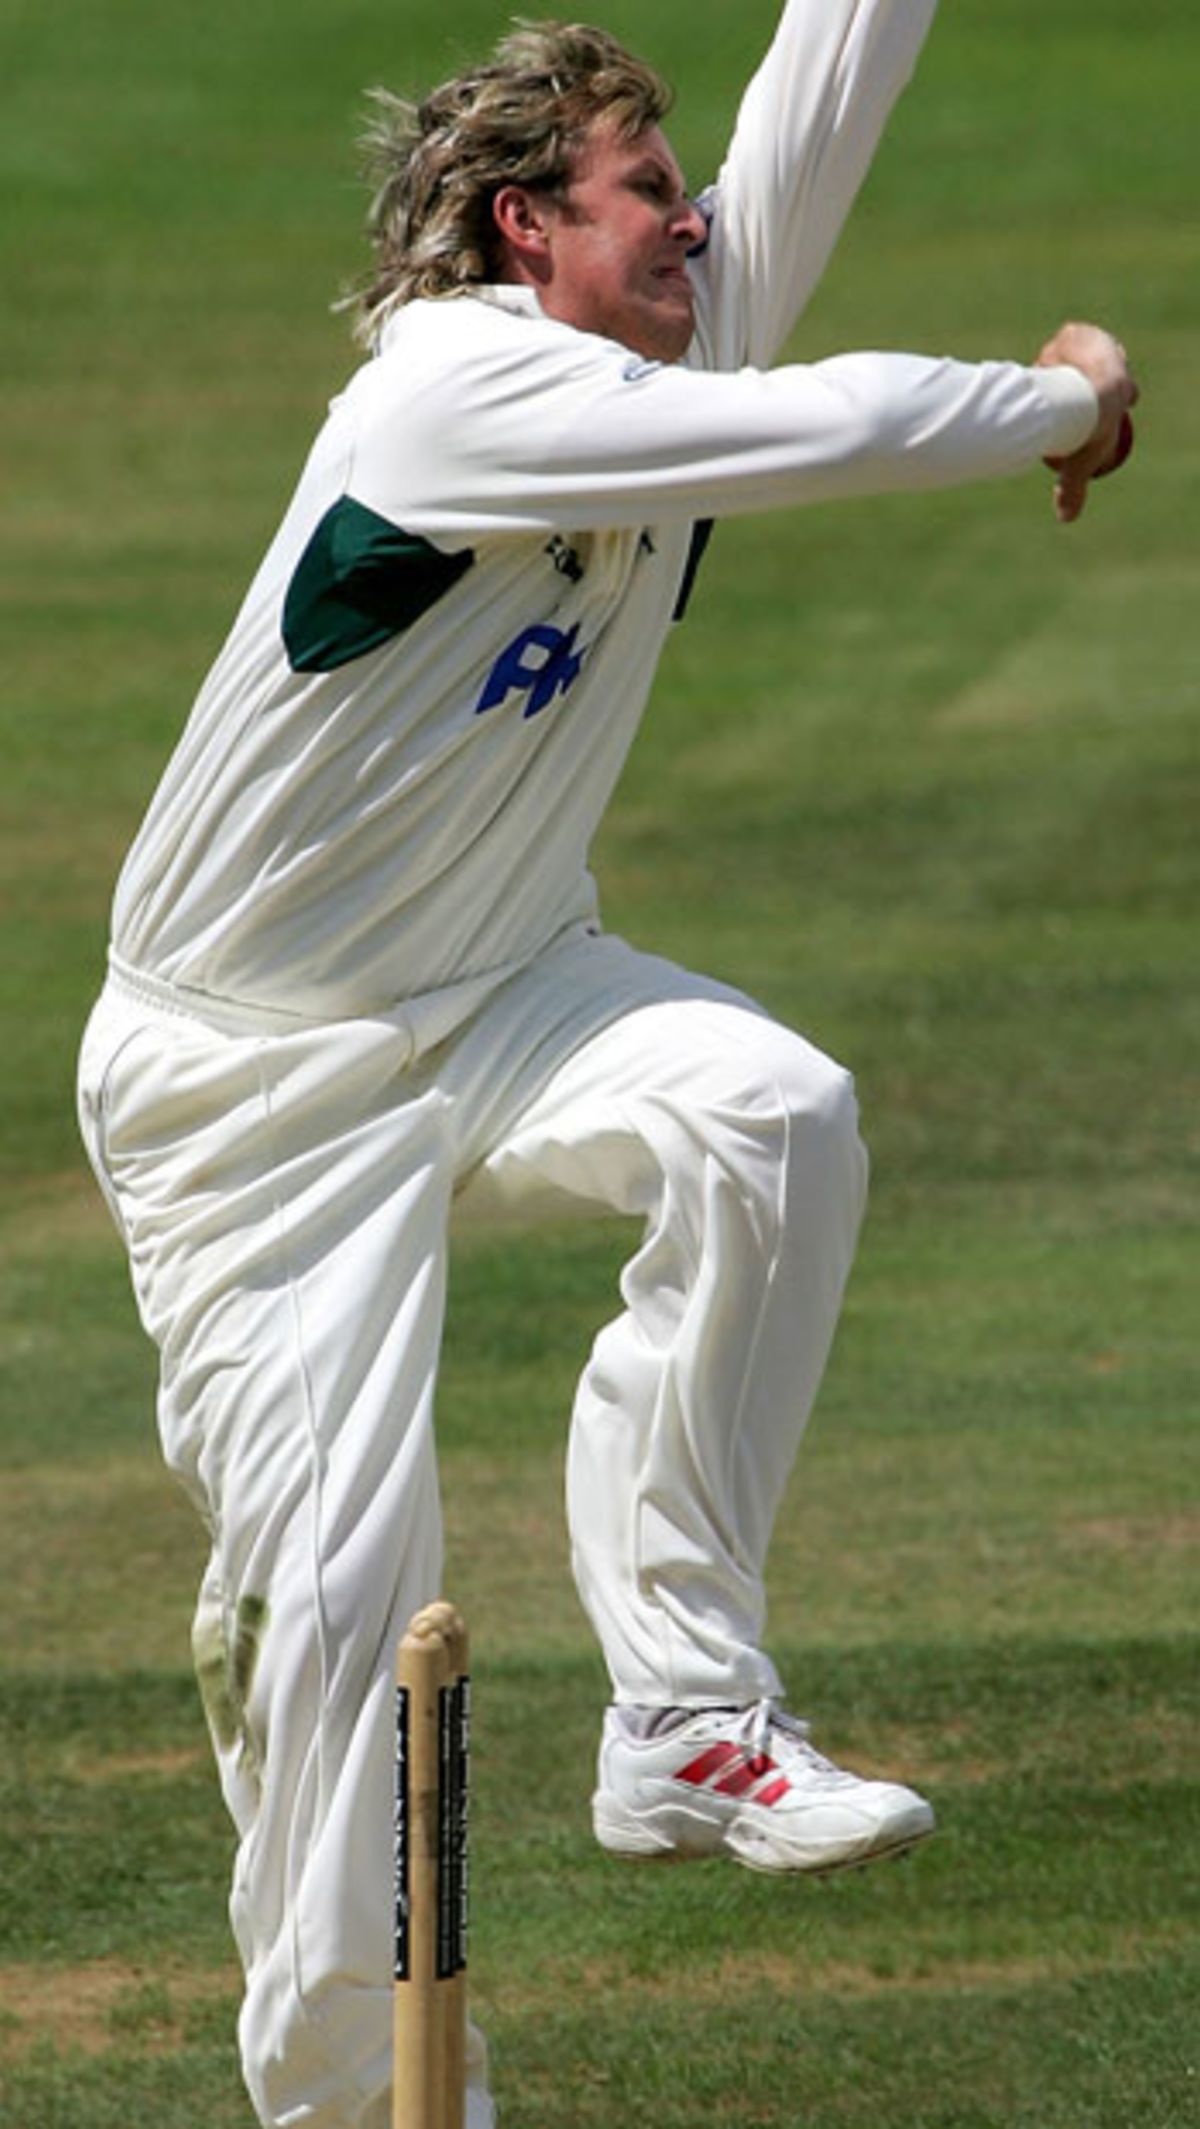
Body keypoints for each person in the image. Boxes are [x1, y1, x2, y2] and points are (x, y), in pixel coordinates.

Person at [76, 5, 1137, 2126]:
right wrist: (1059, 402)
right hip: (252, 1087)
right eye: (649, 193)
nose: (700, 223)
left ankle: (685, 1716)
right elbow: (820, 431)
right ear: (519, 227)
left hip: (506, 988)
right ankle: (354, 2106)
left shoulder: (659, 320)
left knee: (772, 1115)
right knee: (347, 1616)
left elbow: (828, 84)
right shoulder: (463, 389)